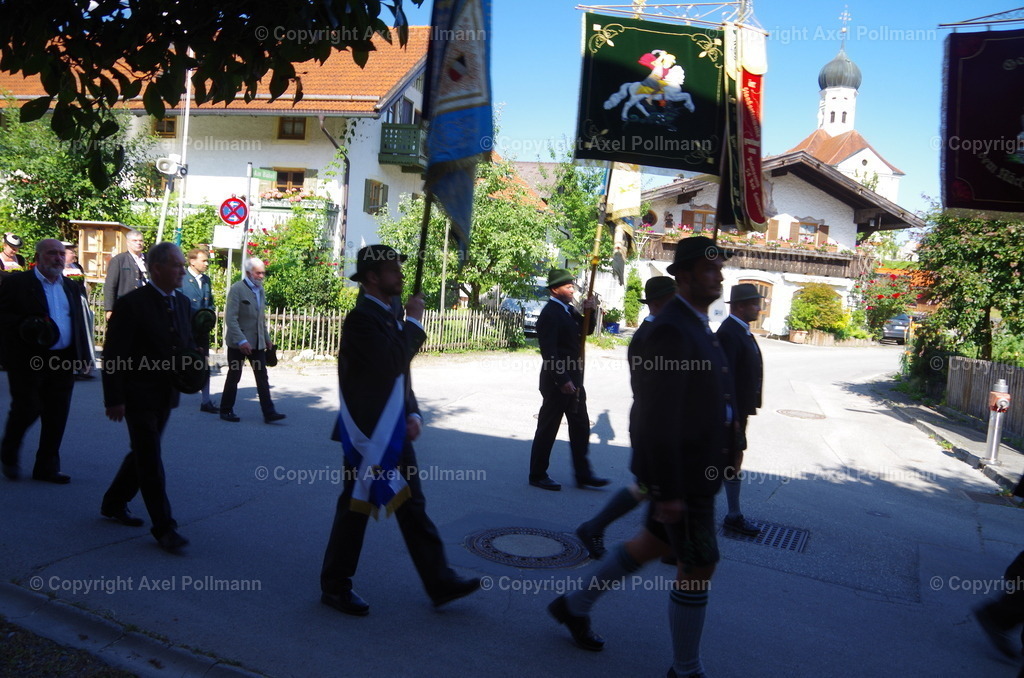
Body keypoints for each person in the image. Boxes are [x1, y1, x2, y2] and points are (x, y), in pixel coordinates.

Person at [548, 236, 732, 678]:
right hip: (683, 476)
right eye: (710, 268)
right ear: (684, 277)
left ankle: (574, 605)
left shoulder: (695, 322)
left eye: (720, 267)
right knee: (699, 562)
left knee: (651, 544)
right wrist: (667, 489)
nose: (719, 275)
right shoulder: (671, 328)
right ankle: (686, 670)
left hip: (691, 472)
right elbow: (656, 415)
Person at [320, 245, 480, 615]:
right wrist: (415, 322)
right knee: (357, 506)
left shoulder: (389, 314)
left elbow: (400, 377)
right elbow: (392, 362)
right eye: (393, 269)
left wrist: (414, 412)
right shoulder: (361, 319)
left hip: (392, 429)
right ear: (373, 277)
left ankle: (439, 582)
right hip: (368, 436)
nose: (400, 275)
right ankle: (334, 585)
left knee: (411, 505)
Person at [100, 241, 195, 552]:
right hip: (136, 394)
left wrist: (193, 369)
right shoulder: (132, 304)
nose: (183, 270)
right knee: (150, 457)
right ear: (157, 268)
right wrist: (114, 398)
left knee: (142, 453)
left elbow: (183, 344)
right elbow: (113, 355)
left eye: (183, 264)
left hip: (166, 394)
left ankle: (114, 502)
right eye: (176, 265)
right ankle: (164, 527)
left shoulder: (181, 303)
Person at [575, 275, 677, 559]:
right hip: (651, 420)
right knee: (651, 484)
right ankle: (600, 529)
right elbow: (653, 387)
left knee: (652, 485)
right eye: (673, 299)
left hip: (654, 419)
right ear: (658, 303)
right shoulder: (649, 337)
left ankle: (663, 543)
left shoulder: (661, 331)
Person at [0, 239, 90, 483]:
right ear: (38, 258)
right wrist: (25, 326)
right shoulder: (18, 283)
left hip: (63, 359)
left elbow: (79, 323)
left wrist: (83, 356)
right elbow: (3, 318)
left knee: (57, 413)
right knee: (27, 407)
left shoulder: (71, 286)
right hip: (29, 359)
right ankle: (9, 451)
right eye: (52, 254)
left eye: (61, 254)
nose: (58, 258)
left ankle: (47, 467)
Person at [528, 268, 608, 491]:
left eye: (572, 285)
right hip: (557, 383)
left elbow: (586, 332)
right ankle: (537, 474)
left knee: (580, 426)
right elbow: (549, 352)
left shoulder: (568, 310)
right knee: (548, 427)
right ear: (555, 289)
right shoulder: (550, 314)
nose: (572, 289)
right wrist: (562, 380)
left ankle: (583, 474)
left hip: (574, 381)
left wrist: (589, 312)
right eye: (568, 286)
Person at [716, 283, 766, 537]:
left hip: (739, 412)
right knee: (726, 461)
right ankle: (731, 515)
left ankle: (732, 514)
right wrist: (732, 415)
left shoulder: (741, 330)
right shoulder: (729, 332)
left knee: (732, 459)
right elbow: (726, 379)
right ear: (739, 306)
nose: (759, 307)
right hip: (731, 414)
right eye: (755, 303)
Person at [220, 258, 284, 423]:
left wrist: (267, 339)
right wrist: (242, 341)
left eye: (263, 272)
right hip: (238, 343)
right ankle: (226, 410)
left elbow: (260, 319)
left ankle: (269, 413)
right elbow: (231, 319)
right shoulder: (237, 289)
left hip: (257, 343)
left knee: (262, 377)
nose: (261, 276)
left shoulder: (260, 290)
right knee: (234, 375)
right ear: (249, 273)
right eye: (258, 272)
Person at [180, 248, 218, 413]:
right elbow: (179, 306)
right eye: (203, 260)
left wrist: (208, 319)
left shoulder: (206, 280)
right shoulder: (181, 279)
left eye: (207, 260)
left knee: (203, 365)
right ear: (192, 261)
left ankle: (206, 400)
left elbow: (210, 304)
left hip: (201, 331)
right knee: (179, 363)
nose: (206, 263)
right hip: (185, 330)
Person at [62, 241, 96, 380]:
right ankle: (73, 364)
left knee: (85, 332)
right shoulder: (60, 270)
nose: (74, 255)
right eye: (71, 252)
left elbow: (83, 286)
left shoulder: (77, 267)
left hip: (81, 303)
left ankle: (85, 365)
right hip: (70, 304)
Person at [104, 229, 148, 320]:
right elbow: (110, 285)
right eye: (135, 241)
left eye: (140, 240)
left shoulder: (148, 259)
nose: (138, 243)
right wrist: (109, 309)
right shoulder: (119, 260)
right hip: (125, 306)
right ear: (128, 243)